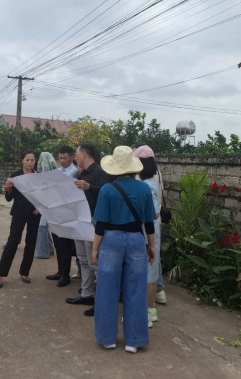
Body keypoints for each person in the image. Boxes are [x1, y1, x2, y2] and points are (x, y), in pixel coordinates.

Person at [92, 146, 156, 353]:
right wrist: (151, 245)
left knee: (107, 289)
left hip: (111, 240)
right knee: (136, 290)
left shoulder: (107, 190)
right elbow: (149, 223)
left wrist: (95, 248)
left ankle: (107, 338)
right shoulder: (144, 189)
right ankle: (133, 341)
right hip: (137, 240)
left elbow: (101, 224)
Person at [66, 143, 112, 316]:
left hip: (92, 220)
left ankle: (100, 301)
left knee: (94, 261)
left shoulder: (99, 172)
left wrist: (89, 187)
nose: (75, 157)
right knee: (83, 259)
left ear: (84, 154)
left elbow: (106, 195)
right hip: (80, 218)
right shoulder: (81, 172)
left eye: (77, 154)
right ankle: (87, 294)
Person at [0, 150, 41, 288]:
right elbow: (9, 198)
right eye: (27, 160)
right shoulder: (16, 175)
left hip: (34, 214)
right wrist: (8, 188)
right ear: (22, 161)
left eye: (32, 160)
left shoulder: (38, 177)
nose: (30, 162)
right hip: (19, 213)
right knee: (12, 242)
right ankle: (0, 274)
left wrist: (39, 208)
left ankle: (25, 272)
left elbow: (42, 196)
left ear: (35, 162)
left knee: (31, 243)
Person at [133, 145, 162, 327]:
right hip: (152, 229)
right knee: (151, 271)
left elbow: (153, 213)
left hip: (147, 230)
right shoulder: (153, 179)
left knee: (147, 273)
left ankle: (145, 313)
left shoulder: (145, 184)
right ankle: (151, 310)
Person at [46, 146, 78, 287]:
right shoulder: (58, 171)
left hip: (67, 214)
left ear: (71, 157)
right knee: (58, 243)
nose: (62, 161)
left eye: (65, 158)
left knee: (65, 245)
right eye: (60, 158)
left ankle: (65, 274)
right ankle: (60, 271)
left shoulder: (74, 172)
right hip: (56, 213)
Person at [34, 152, 58, 259]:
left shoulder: (47, 174)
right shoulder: (56, 173)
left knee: (42, 226)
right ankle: (50, 248)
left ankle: (42, 252)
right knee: (43, 225)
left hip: (46, 203)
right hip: (50, 202)